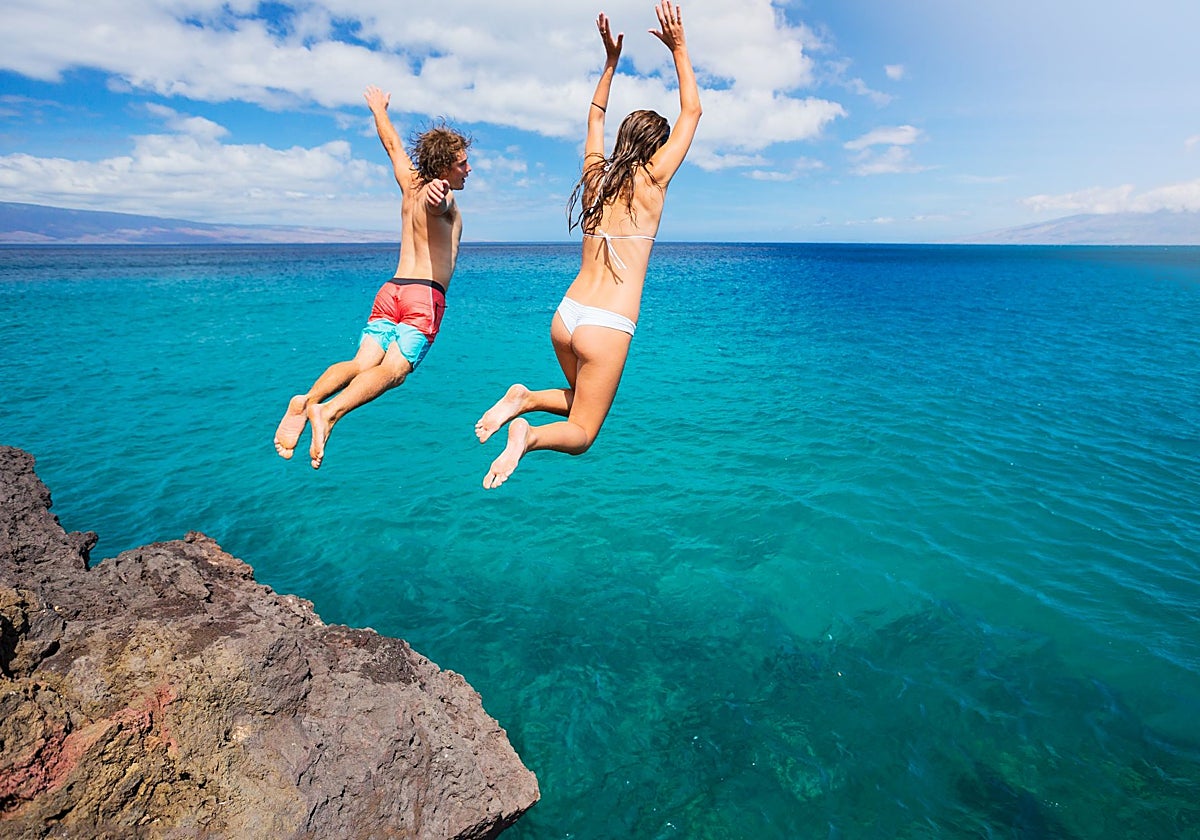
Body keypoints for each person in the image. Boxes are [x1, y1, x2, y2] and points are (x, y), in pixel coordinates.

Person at [475, 1, 700, 489]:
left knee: (579, 398)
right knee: (581, 434)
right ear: (657, 149)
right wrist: (679, 49)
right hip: (606, 324)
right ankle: (528, 435)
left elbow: (594, 117)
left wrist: (610, 64)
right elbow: (693, 111)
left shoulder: (595, 177)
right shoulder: (654, 181)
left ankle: (524, 398)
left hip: (568, 314)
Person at [273, 85, 471, 469]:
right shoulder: (443, 197)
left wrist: (379, 110)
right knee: (394, 372)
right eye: (462, 163)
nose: (468, 169)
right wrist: (440, 195)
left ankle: (307, 400)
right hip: (423, 298)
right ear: (445, 168)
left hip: (391, 291)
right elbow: (439, 202)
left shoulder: (409, 183)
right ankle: (329, 412)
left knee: (361, 363)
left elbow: (393, 145)